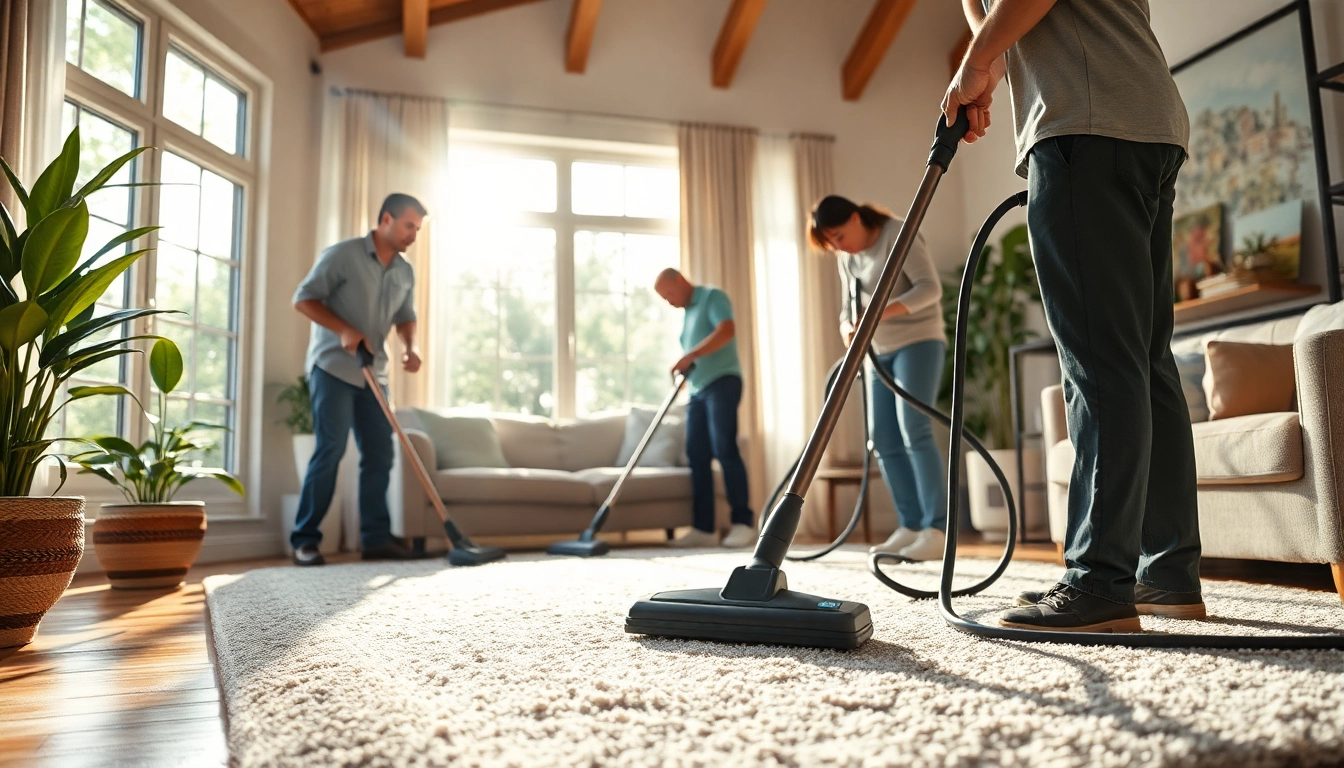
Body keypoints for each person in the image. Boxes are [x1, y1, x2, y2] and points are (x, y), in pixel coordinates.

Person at [945, 0, 1204, 632]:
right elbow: (1010, 26)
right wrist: (983, 59)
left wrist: (972, 63)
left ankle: (1098, 582)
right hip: (1144, 122)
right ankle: (1166, 572)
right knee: (1144, 358)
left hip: (1083, 126)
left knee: (1098, 357)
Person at [289, 193, 429, 566]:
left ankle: (376, 539)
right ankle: (304, 540)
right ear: (386, 219)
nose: (413, 234)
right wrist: (344, 329)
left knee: (380, 454)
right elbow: (304, 298)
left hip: (374, 373)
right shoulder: (343, 255)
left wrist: (410, 347)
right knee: (330, 449)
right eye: (408, 225)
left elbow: (405, 315)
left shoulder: (404, 271)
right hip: (333, 367)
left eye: (418, 228)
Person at [810, 195, 948, 562]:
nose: (838, 246)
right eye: (832, 242)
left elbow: (930, 289)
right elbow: (847, 308)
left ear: (856, 218)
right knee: (883, 438)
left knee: (913, 428)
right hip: (877, 352)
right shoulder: (848, 258)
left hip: (918, 341)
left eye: (839, 236)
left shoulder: (899, 233)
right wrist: (846, 326)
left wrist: (879, 312)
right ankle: (911, 524)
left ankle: (937, 529)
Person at [653, 268, 756, 549]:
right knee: (696, 454)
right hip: (698, 391)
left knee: (724, 448)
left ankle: (743, 523)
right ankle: (704, 528)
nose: (669, 302)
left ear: (681, 281)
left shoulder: (712, 297)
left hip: (723, 382)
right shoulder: (687, 315)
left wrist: (691, 355)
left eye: (669, 294)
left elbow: (726, 331)